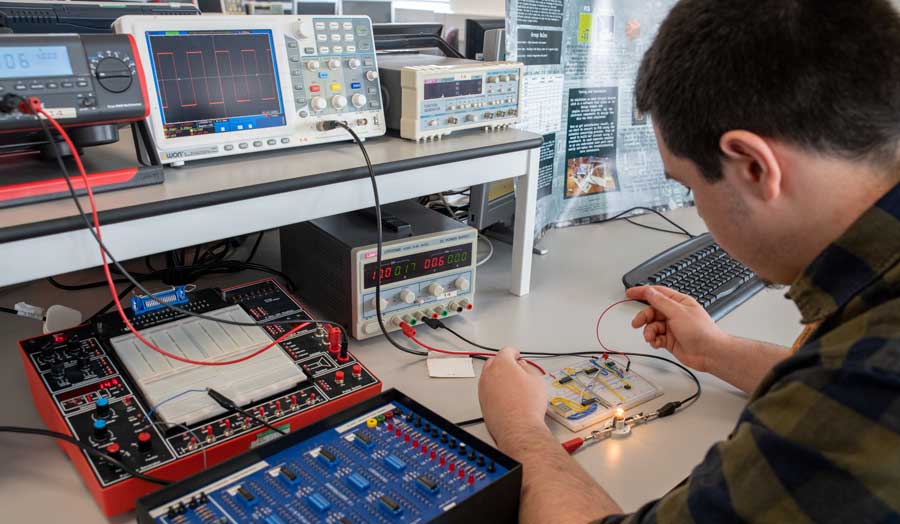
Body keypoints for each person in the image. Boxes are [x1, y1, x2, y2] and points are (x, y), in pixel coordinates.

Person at [477, 0, 900, 522]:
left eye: (688, 184)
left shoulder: (864, 388)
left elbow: (844, 398)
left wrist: (519, 430)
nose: (697, 207)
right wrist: (717, 351)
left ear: (752, 165)